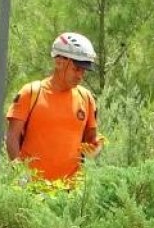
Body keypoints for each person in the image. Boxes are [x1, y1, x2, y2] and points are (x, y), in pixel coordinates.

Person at [6, 32, 103, 183]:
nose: (80, 76)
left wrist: (95, 149)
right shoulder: (31, 93)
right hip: (32, 189)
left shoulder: (86, 98)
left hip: (70, 194)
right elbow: (12, 137)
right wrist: (19, 172)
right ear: (59, 61)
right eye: (76, 69)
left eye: (83, 71)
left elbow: (91, 140)